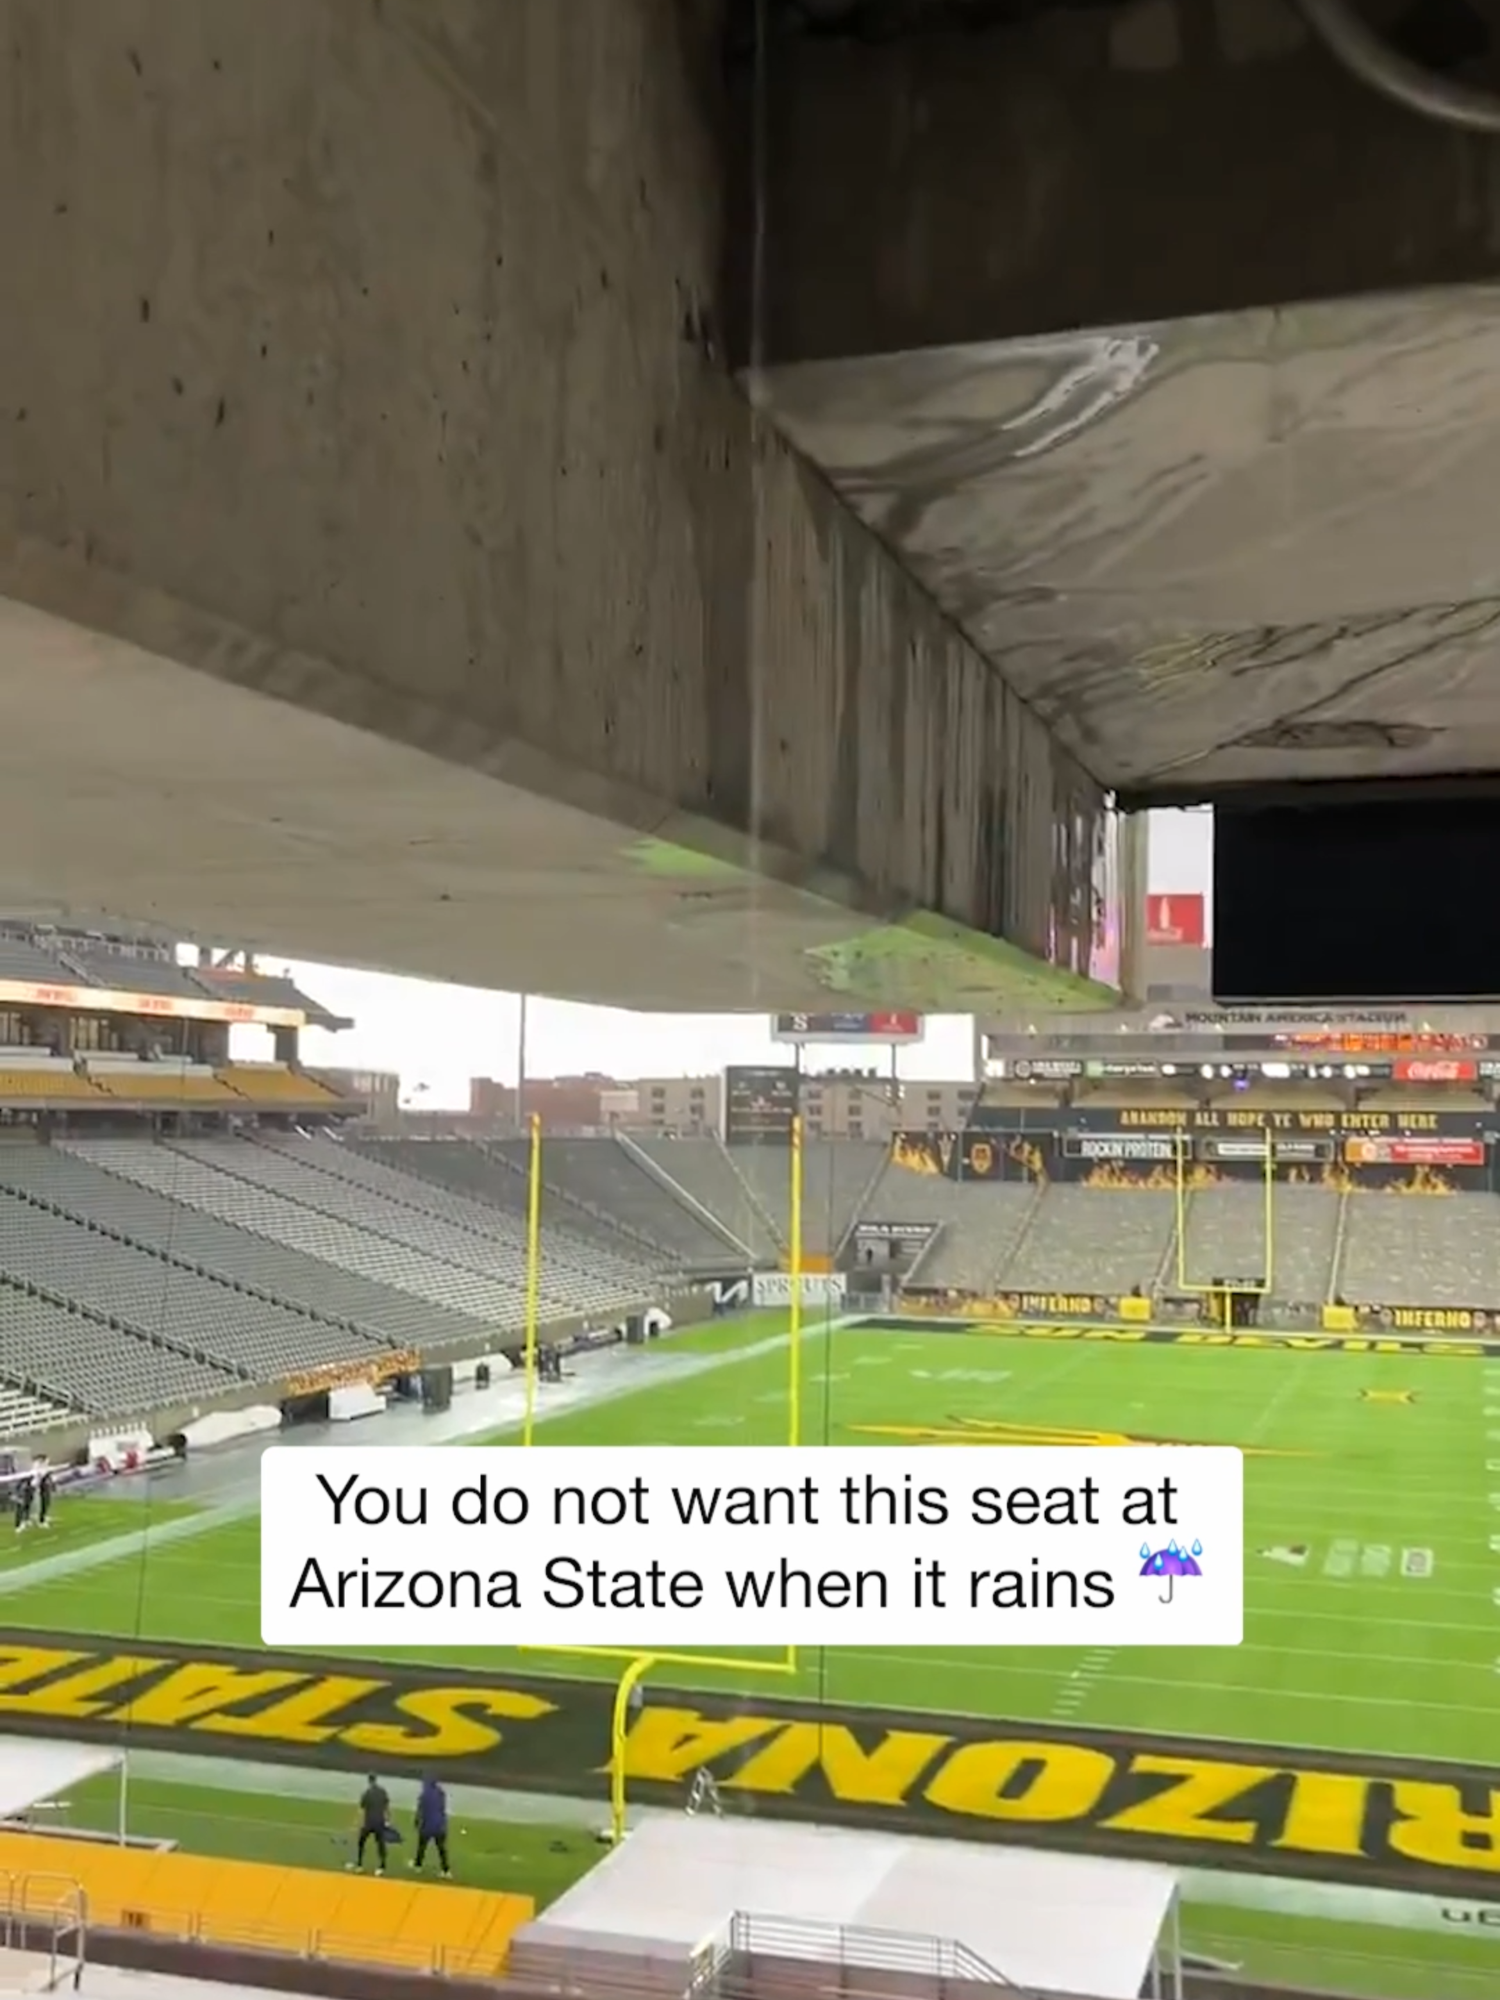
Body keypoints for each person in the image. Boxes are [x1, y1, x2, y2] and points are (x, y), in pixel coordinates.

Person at [350, 1774, 391, 1875]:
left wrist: (357, 1823)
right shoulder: (382, 1792)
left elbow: (361, 1810)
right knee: (380, 1844)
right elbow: (387, 1807)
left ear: (369, 1781)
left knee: (361, 1842)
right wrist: (388, 1820)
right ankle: (382, 1866)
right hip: (379, 1822)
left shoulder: (367, 1793)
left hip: (369, 1822)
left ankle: (359, 1865)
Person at [412, 1773, 450, 1877]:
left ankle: (418, 1866)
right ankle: (446, 1870)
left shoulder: (424, 1795)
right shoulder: (441, 1793)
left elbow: (420, 1810)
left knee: (422, 1846)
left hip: (427, 1825)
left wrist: (416, 1822)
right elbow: (442, 1808)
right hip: (439, 1825)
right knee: (441, 1849)